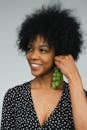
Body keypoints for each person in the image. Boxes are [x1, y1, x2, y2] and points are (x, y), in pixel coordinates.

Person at [1, 5, 87, 130]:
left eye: (43, 50)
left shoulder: (78, 95)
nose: (33, 56)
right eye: (30, 48)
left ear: (59, 53)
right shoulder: (14, 96)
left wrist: (74, 77)